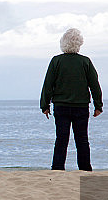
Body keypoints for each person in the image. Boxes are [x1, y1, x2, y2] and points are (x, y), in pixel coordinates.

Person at [40, 28, 103, 171]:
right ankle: (85, 168)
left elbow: (48, 85)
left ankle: (57, 168)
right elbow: (94, 85)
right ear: (79, 43)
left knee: (61, 139)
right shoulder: (85, 62)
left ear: (63, 43)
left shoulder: (56, 61)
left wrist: (45, 105)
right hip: (81, 107)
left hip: (61, 106)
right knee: (82, 139)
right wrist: (98, 105)